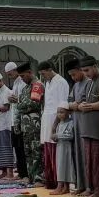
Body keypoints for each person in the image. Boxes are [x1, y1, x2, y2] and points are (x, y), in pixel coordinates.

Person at [72, 56, 99, 197]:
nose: (86, 73)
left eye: (87, 70)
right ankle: (90, 187)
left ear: (95, 66)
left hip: (98, 128)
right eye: (83, 71)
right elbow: (79, 102)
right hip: (86, 127)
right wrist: (80, 106)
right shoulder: (89, 83)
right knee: (89, 160)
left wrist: (90, 106)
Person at [38, 61, 69, 189]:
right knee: (48, 152)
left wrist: (55, 125)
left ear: (50, 69)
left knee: (57, 154)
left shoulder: (61, 82)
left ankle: (60, 183)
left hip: (55, 121)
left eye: (43, 73)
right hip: (46, 119)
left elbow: (62, 106)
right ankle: (50, 181)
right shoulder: (48, 82)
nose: (42, 76)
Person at [15, 63, 45, 183]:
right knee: (28, 152)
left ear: (29, 72)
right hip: (25, 126)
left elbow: (33, 104)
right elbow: (20, 106)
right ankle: (30, 176)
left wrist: (20, 105)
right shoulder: (25, 88)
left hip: (35, 125)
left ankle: (38, 177)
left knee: (37, 151)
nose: (22, 79)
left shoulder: (37, 85)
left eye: (23, 76)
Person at [4, 62, 31, 182]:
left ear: (15, 71)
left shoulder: (23, 82)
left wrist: (16, 99)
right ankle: (20, 172)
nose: (10, 76)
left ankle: (25, 174)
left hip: (22, 119)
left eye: (10, 74)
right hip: (14, 119)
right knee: (17, 147)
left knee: (22, 147)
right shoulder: (15, 83)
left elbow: (26, 100)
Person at [65, 63, 88, 196]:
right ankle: (80, 185)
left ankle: (89, 187)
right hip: (76, 124)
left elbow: (84, 103)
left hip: (85, 124)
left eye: (74, 74)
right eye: (71, 76)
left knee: (86, 156)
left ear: (81, 70)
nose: (73, 78)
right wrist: (74, 105)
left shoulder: (88, 83)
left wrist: (75, 105)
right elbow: (69, 102)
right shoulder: (75, 85)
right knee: (77, 155)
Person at [53, 105, 77, 195]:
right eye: (58, 112)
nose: (59, 114)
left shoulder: (71, 123)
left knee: (64, 167)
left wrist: (58, 136)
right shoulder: (59, 124)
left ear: (68, 112)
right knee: (60, 166)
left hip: (67, 149)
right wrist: (55, 138)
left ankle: (61, 186)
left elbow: (70, 135)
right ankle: (63, 187)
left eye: (62, 112)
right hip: (59, 147)